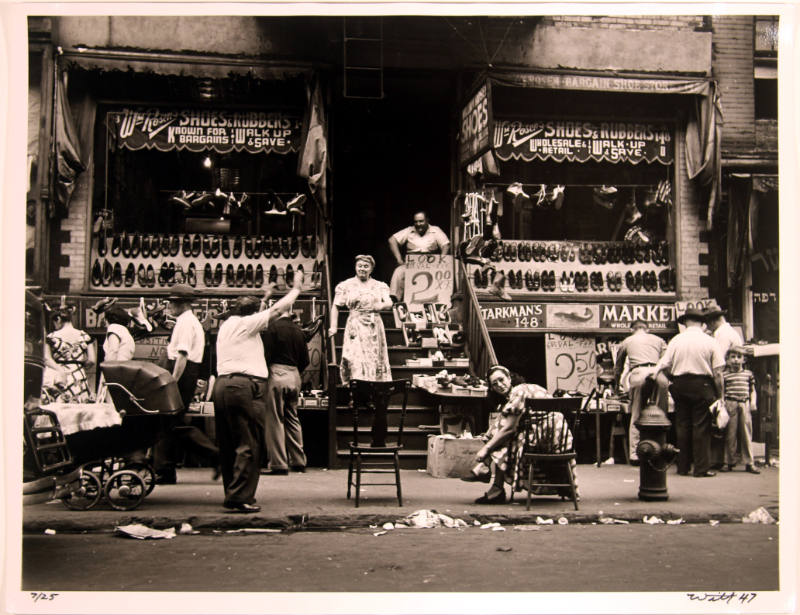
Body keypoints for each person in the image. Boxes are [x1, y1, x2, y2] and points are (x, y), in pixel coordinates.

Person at [214, 278, 303, 512]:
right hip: (245, 387)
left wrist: (265, 295)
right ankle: (239, 498)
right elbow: (274, 312)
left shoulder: (229, 325)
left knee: (229, 444)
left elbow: (260, 311)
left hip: (223, 385)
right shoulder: (246, 324)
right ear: (251, 315)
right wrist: (295, 291)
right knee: (249, 443)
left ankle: (232, 491)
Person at [462, 365, 578, 504]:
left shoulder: (519, 391)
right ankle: (491, 481)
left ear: (509, 378)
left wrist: (486, 450)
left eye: (501, 379)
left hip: (545, 439)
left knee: (506, 438)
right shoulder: (527, 388)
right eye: (495, 384)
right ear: (492, 388)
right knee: (504, 429)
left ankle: (491, 479)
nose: (500, 385)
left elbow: (510, 428)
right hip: (561, 440)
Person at [153, 283, 219, 485]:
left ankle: (214, 455)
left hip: (182, 373)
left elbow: (182, 355)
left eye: (174, 302)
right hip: (187, 373)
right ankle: (166, 468)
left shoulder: (185, 323)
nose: (170, 306)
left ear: (183, 303)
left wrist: (172, 380)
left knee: (171, 423)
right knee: (172, 424)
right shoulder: (189, 322)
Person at [652, 308, 726, 477]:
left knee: (682, 426)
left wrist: (670, 382)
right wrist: (720, 395)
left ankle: (683, 466)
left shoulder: (676, 341)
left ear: (686, 322)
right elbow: (718, 373)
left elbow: (664, 365)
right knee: (701, 427)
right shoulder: (710, 341)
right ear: (702, 323)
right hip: (702, 385)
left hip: (680, 384)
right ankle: (701, 468)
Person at [261, 303, 310, 475]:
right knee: (292, 417)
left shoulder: (272, 329)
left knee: (274, 419)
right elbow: (306, 360)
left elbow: (265, 356)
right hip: (294, 375)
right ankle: (298, 461)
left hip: (276, 372)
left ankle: (278, 463)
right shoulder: (298, 331)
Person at [328, 255, 392, 384]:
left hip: (374, 326)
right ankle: (355, 393)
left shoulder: (380, 286)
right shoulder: (346, 285)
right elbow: (335, 306)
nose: (362, 269)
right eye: (360, 266)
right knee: (354, 358)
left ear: (371, 269)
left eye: (366, 266)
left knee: (373, 359)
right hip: (355, 325)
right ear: (355, 267)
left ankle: (373, 392)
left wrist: (382, 305)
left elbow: (389, 302)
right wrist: (333, 326)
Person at [613, 318, 669, 465]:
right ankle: (660, 450)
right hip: (657, 373)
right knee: (661, 415)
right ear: (647, 329)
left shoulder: (627, 341)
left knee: (636, 412)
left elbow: (618, 368)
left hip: (638, 373)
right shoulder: (659, 340)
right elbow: (667, 362)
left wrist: (616, 386)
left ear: (632, 329)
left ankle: (635, 454)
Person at [388, 211, 450, 301]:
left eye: (421, 221)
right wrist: (399, 259)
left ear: (427, 220)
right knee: (398, 272)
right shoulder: (409, 230)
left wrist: (441, 259)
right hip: (411, 264)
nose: (418, 224)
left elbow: (446, 245)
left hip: (431, 265)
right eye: (416, 222)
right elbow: (392, 240)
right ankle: (394, 300)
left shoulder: (435, 230)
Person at [42, 303, 96, 404]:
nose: (55, 326)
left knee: (60, 407)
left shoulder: (52, 337)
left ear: (58, 319)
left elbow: (46, 358)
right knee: (81, 408)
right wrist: (80, 366)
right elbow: (92, 360)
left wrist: (60, 369)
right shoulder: (84, 336)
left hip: (60, 376)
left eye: (54, 322)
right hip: (79, 375)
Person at [721, 346, 760, 474]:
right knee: (730, 434)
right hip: (730, 403)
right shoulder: (725, 375)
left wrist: (753, 402)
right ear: (727, 359)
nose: (736, 360)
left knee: (746, 433)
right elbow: (722, 392)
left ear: (744, 360)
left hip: (744, 403)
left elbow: (752, 390)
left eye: (739, 357)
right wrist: (723, 405)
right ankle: (728, 461)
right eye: (732, 357)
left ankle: (749, 462)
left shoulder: (748, 374)